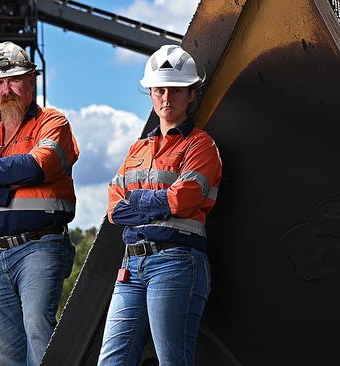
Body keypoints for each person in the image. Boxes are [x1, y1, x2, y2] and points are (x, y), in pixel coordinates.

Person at [0, 41, 79, 366]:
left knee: (39, 334)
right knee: (3, 350)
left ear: (31, 80)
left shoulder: (53, 123)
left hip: (40, 246)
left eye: (14, 80)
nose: (6, 89)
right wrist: (12, 188)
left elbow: (38, 166)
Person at [98, 45, 222, 366]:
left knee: (173, 361)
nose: (166, 98)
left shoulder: (200, 145)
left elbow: (185, 197)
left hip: (176, 262)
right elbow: (114, 208)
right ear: (150, 93)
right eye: (159, 90)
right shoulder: (138, 148)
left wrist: (136, 199)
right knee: (111, 362)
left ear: (191, 95)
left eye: (176, 90)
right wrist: (156, 202)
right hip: (131, 266)